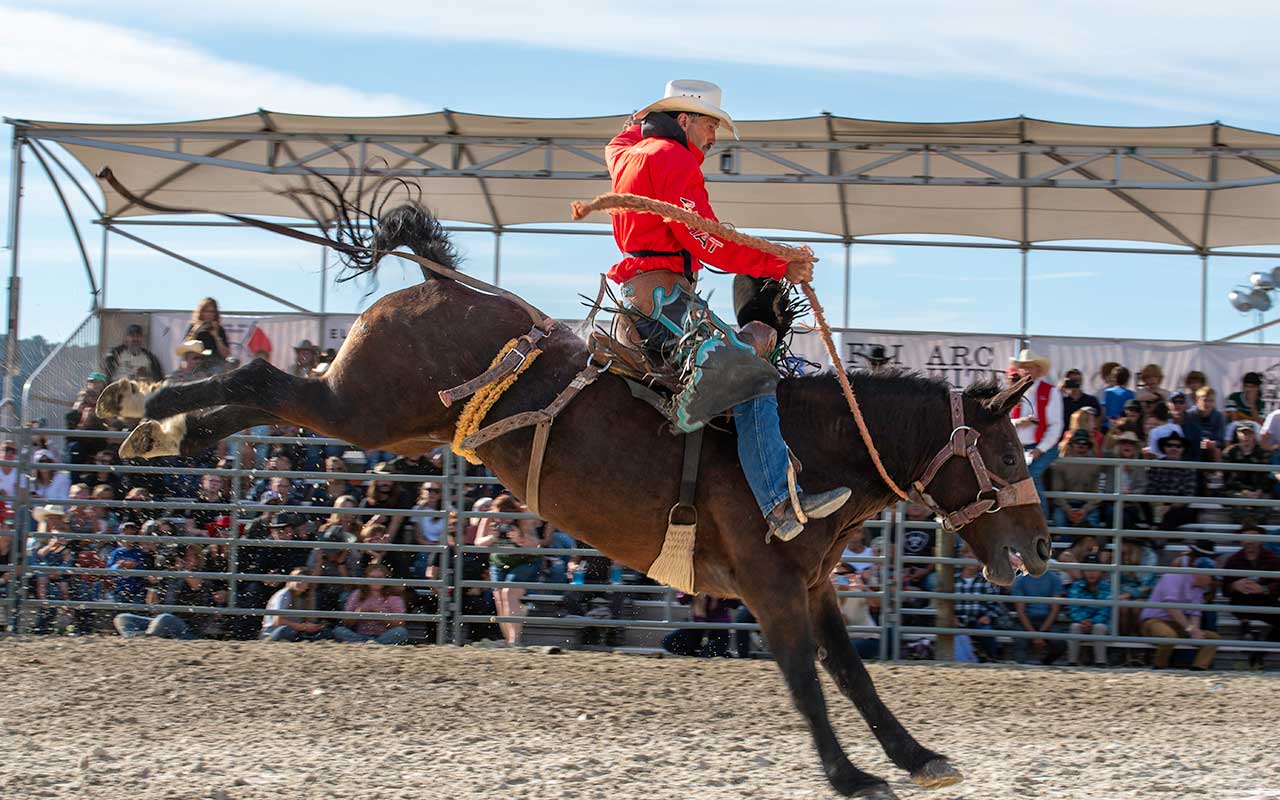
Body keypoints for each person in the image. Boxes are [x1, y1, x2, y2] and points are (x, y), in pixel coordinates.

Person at [604, 79, 849, 542]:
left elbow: (617, 141)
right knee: (751, 374)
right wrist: (781, 262)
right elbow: (708, 241)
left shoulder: (628, 154)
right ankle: (777, 500)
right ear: (685, 120)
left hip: (639, 297)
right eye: (711, 123)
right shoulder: (672, 159)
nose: (715, 136)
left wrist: (641, 122)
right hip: (665, 300)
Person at [1139, 557, 1221, 670]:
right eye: (1212, 578)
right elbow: (1171, 608)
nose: (1213, 582)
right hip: (1154, 620)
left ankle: (1198, 669)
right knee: (1169, 636)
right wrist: (1192, 630)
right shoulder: (1173, 576)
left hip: (1178, 624)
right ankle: (1159, 667)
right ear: (1203, 574)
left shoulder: (1199, 589)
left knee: (1213, 638)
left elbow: (1195, 614)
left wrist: (1195, 631)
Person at [1009, 349, 1063, 514]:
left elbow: (1056, 426)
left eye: (1030, 367)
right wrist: (1020, 422)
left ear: (1039, 370)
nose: (1025, 370)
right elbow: (1003, 421)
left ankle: (1041, 519)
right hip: (1019, 448)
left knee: (1029, 477)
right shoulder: (1013, 392)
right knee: (1023, 479)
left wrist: (1040, 449)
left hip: (1043, 447)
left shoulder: (1051, 392)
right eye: (1023, 367)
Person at [1220, 522, 1280, 669]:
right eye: (1246, 539)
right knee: (1242, 601)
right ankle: (1248, 633)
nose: (1249, 543)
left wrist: (1263, 588)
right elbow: (1225, 590)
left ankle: (1258, 654)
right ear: (1241, 540)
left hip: (1264, 600)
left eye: (1253, 539)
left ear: (1260, 540)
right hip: (1241, 602)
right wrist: (1235, 585)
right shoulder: (1233, 560)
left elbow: (1279, 584)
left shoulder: (1272, 558)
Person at [332, 565, 410, 645]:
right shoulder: (357, 594)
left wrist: (382, 615)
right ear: (366, 578)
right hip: (360, 635)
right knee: (339, 631)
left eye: (380, 577)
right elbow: (346, 622)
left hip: (384, 635)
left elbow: (400, 624)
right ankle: (371, 644)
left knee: (401, 632)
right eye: (372, 577)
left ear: (386, 579)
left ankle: (369, 644)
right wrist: (359, 613)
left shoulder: (394, 597)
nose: (376, 580)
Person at [1047, 430, 1103, 527]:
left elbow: (1097, 493)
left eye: (1084, 443)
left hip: (1087, 505)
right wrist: (1068, 510)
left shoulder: (1096, 465)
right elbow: (1056, 492)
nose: (1081, 445)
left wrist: (1084, 510)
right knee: (1060, 522)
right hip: (1065, 505)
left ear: (1089, 446)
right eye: (1078, 442)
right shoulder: (1060, 464)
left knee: (1093, 523)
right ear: (1071, 444)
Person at [1011, 565, 1066, 665]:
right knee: (1020, 641)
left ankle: (1045, 664)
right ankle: (1021, 668)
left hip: (1047, 620)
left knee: (1060, 643)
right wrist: (1036, 635)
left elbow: (1055, 610)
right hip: (1027, 620)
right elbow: (1021, 612)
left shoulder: (1054, 578)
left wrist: (1040, 634)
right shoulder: (1020, 580)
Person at [1066, 553, 1111, 666]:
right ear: (1083, 571)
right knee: (1074, 627)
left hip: (1099, 623)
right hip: (1081, 622)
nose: (1091, 573)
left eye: (1095, 569)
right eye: (1088, 569)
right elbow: (1073, 608)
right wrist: (1083, 620)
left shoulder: (1107, 588)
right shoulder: (1076, 586)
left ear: (1101, 571)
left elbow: (1105, 611)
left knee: (1099, 628)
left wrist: (1092, 621)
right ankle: (1072, 662)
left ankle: (1100, 662)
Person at [261, 568, 329, 641]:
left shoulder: (305, 597)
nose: (299, 582)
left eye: (304, 581)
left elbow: (309, 620)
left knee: (325, 632)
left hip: (296, 630)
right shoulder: (284, 594)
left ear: (308, 585)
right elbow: (278, 621)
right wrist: (303, 627)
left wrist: (313, 626)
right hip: (273, 633)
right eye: (296, 579)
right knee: (285, 630)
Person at [661, 593, 737, 658]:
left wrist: (718, 594)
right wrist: (694, 591)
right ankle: (698, 655)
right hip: (697, 626)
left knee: (709, 653)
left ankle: (719, 653)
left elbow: (735, 603)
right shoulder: (695, 582)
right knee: (669, 642)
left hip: (719, 626)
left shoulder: (722, 582)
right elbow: (682, 599)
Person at [1102, 365, 1135, 430]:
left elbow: (1103, 410)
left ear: (1114, 378)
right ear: (1127, 379)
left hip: (1107, 425)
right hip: (1122, 426)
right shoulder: (1131, 394)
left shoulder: (1107, 392)